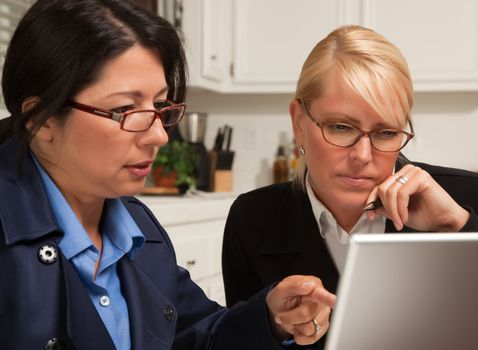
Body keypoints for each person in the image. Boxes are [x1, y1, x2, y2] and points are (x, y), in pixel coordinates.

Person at [0, 1, 336, 349]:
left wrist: (268, 317)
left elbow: (195, 335)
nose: (160, 135)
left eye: (159, 107)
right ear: (40, 119)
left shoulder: (140, 230)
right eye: (124, 109)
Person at [222, 24, 478, 346]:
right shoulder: (253, 218)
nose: (362, 156)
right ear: (298, 123)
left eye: (386, 133)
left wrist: (456, 225)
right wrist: (274, 325)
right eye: (340, 127)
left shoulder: (472, 198)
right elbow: (233, 342)